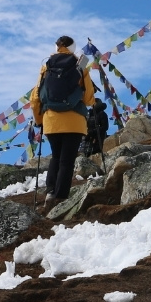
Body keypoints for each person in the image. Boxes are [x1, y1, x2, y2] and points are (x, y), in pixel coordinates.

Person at [30, 35, 96, 204]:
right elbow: (88, 97)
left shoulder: (46, 67)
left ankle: (50, 192)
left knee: (56, 157)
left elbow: (35, 98)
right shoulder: (81, 64)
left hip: (51, 121)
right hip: (74, 122)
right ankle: (60, 198)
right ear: (73, 48)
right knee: (67, 160)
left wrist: (39, 120)